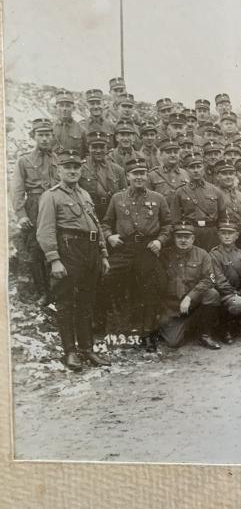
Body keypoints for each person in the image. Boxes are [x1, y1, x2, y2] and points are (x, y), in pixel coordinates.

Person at [36, 149, 111, 370]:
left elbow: (96, 225)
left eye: (76, 167)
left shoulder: (85, 194)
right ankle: (70, 352)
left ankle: (87, 349)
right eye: (67, 167)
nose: (72, 171)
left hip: (90, 252)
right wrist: (54, 259)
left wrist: (103, 254)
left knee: (87, 303)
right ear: (58, 169)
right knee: (66, 303)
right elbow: (45, 231)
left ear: (81, 169)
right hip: (68, 251)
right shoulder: (51, 195)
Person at [101, 157, 171, 352]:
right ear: (127, 176)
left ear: (147, 175)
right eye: (135, 173)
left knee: (149, 290)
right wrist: (109, 236)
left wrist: (160, 241)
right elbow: (105, 222)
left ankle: (148, 333)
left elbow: (168, 225)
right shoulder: (117, 198)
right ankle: (116, 330)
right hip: (123, 248)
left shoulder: (157, 198)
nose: (139, 177)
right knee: (107, 279)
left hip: (147, 248)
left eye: (142, 173)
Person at [12, 118, 59, 307]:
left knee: (57, 247)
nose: (45, 139)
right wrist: (21, 214)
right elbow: (16, 190)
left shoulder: (60, 159)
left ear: (53, 136)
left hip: (56, 205)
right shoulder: (24, 160)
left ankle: (58, 292)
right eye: (41, 135)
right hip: (34, 205)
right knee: (36, 250)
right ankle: (43, 292)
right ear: (33, 136)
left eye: (48, 134)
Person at [159, 222, 222, 349]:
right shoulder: (164, 255)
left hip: (194, 303)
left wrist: (189, 297)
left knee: (212, 294)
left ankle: (205, 335)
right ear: (174, 238)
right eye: (179, 236)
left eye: (187, 237)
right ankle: (188, 326)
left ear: (193, 238)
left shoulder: (202, 254)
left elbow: (209, 279)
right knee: (173, 343)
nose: (183, 240)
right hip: (173, 307)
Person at [170, 151, 226, 251]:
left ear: (203, 167)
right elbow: (175, 220)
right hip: (190, 233)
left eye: (198, 166)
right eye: (192, 167)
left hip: (211, 233)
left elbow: (222, 217)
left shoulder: (215, 191)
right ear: (186, 170)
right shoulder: (180, 192)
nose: (196, 170)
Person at [209, 220, 241, 343]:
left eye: (230, 233)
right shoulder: (214, 254)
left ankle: (237, 323)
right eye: (223, 233)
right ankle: (224, 328)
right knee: (239, 303)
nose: (227, 236)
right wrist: (236, 293)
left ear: (237, 235)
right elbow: (218, 280)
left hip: (239, 291)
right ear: (218, 235)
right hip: (223, 294)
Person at [79, 131, 127, 223]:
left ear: (106, 148)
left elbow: (124, 196)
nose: (98, 150)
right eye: (94, 147)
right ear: (88, 148)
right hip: (89, 213)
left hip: (112, 211)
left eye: (101, 147)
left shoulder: (118, 170)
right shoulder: (81, 169)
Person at [146, 138, 190, 206]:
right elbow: (147, 200)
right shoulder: (153, 175)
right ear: (160, 155)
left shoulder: (185, 174)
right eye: (168, 152)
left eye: (175, 152)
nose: (173, 155)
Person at [51, 90, 86, 155]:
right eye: (61, 105)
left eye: (67, 106)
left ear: (73, 108)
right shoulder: (50, 129)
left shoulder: (81, 130)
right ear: (56, 107)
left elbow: (85, 154)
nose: (64, 109)